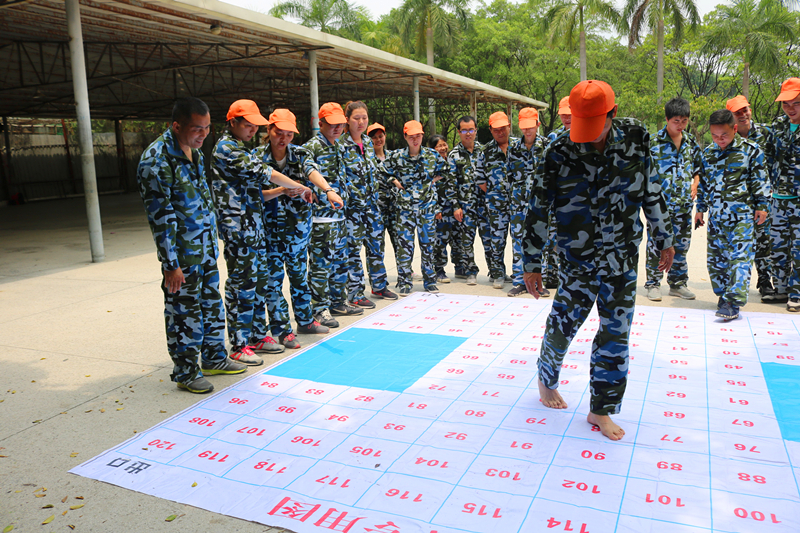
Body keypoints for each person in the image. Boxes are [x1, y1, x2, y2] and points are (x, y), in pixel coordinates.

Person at [523, 80, 675, 441]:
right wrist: (531, 261)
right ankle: (546, 379)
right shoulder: (558, 150)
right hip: (577, 260)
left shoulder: (637, 139)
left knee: (616, 335)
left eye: (596, 126)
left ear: (613, 114)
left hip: (621, 256)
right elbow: (538, 208)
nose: (587, 136)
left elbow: (651, 190)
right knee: (563, 326)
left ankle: (600, 410)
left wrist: (664, 237)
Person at [137, 97, 247, 394]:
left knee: (211, 306)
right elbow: (160, 218)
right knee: (184, 312)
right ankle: (186, 371)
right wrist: (170, 264)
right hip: (182, 257)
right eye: (197, 129)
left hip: (205, 249)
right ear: (176, 126)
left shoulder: (195, 153)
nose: (203, 134)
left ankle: (213, 357)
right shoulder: (157, 160)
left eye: (207, 128)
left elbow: (203, 202)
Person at [212, 100, 314, 366]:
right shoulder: (227, 149)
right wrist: (299, 187)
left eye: (254, 126)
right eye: (247, 126)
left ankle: (257, 335)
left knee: (257, 284)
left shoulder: (241, 147)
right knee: (241, 287)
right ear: (232, 123)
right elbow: (266, 173)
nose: (251, 131)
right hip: (238, 229)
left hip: (254, 228)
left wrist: (282, 191)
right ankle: (239, 344)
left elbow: (257, 192)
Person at [254, 109, 343, 349]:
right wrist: (282, 191)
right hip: (270, 232)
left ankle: (305, 320)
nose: (283, 139)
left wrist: (327, 190)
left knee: (298, 278)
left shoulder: (300, 154)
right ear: (268, 131)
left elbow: (312, 171)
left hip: (297, 231)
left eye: (288, 134)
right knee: (273, 281)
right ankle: (282, 330)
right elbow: (253, 195)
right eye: (278, 132)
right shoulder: (256, 158)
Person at [695, 109, 769, 320]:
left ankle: (733, 302)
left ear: (734, 129)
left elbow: (760, 181)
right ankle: (723, 295)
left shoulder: (751, 150)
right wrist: (700, 209)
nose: (720, 140)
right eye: (715, 136)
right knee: (717, 260)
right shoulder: (709, 152)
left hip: (742, 217)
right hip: (717, 217)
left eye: (724, 135)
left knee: (739, 259)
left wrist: (762, 206)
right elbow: (704, 184)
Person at [303, 102, 362, 329]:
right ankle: (319, 309)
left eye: (340, 124)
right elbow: (308, 173)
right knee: (320, 265)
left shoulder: (337, 146)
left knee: (339, 263)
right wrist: (326, 192)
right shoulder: (312, 147)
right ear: (320, 123)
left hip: (339, 217)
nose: (337, 128)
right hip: (320, 218)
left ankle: (338, 302)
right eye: (331, 124)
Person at [381, 120, 452, 295]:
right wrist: (395, 182)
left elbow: (446, 170)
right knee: (404, 246)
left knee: (428, 245)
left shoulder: (431, 155)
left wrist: (431, 182)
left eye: (418, 136)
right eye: (412, 137)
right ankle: (404, 281)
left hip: (426, 208)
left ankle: (429, 280)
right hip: (404, 209)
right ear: (405, 137)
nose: (415, 140)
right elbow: (382, 171)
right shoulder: (396, 156)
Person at [644, 97, 702, 302]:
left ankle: (678, 284)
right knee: (656, 245)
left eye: (684, 121)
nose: (680, 125)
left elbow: (697, 168)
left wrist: (695, 183)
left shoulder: (690, 142)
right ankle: (652, 283)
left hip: (684, 206)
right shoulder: (653, 142)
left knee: (681, 246)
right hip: (660, 208)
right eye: (676, 121)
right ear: (667, 119)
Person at [341, 102, 398, 308]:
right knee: (353, 251)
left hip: (373, 206)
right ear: (347, 119)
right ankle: (355, 292)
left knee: (376, 247)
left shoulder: (367, 142)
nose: (361, 122)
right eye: (356, 118)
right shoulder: (341, 146)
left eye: (364, 118)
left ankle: (379, 285)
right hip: (353, 209)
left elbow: (375, 172)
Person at [726, 95, 778, 303]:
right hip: (740, 200)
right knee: (743, 242)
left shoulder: (767, 132)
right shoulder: (730, 136)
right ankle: (745, 283)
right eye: (738, 113)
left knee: (766, 241)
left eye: (745, 110)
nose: (744, 115)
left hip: (767, 197)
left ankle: (767, 282)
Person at [766, 78, 800, 311]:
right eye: (785, 103)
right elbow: (768, 156)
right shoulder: (777, 125)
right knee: (777, 247)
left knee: (799, 249)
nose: (790, 108)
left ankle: (796, 294)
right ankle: (781, 290)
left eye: (795, 103)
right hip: (778, 199)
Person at [506, 107, 547, 297]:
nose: (527, 131)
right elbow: (509, 176)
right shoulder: (513, 148)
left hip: (540, 205)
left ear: (538, 125)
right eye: (524, 127)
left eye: (531, 127)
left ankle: (539, 282)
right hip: (518, 205)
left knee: (539, 242)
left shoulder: (547, 147)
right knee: (517, 243)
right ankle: (518, 282)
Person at [475, 111, 516, 289]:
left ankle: (519, 274)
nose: (500, 132)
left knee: (519, 240)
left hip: (518, 204)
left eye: (503, 128)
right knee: (497, 240)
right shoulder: (485, 151)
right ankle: (498, 274)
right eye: (496, 130)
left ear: (509, 127)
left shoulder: (520, 146)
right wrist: (495, 192)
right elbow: (479, 179)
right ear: (491, 131)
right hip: (496, 206)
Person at [448, 116, 485, 286]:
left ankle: (496, 271)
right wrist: (456, 206)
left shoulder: (484, 151)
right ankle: (471, 271)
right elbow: (451, 183)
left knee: (490, 239)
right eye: (464, 130)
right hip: (465, 205)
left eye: (471, 130)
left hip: (485, 205)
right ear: (459, 132)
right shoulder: (454, 155)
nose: (468, 134)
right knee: (466, 241)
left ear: (476, 130)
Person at [542, 97, 572, 289]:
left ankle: (569, 278)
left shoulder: (588, 134)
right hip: (557, 199)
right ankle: (551, 277)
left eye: (569, 114)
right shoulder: (553, 138)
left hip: (577, 199)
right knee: (551, 239)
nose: (566, 118)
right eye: (563, 115)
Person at [429, 134, 462, 284]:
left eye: (444, 144)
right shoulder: (431, 166)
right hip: (440, 210)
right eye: (438, 146)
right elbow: (428, 189)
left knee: (457, 239)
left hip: (453, 209)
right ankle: (439, 270)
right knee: (440, 242)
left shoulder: (451, 162)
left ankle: (460, 268)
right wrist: (436, 209)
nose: (442, 148)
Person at [368, 123, 400, 264]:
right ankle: (377, 277)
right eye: (374, 137)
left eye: (380, 136)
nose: (378, 140)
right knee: (376, 244)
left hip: (395, 207)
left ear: (385, 136)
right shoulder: (366, 160)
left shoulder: (394, 156)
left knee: (400, 242)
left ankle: (406, 272)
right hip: (376, 208)